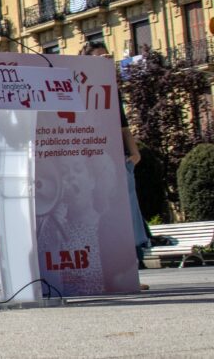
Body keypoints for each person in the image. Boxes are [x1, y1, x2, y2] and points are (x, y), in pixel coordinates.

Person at [80, 40, 150, 291]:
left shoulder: (111, 88)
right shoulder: (78, 87)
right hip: (90, 158)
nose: (107, 60)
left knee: (126, 215)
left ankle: (129, 274)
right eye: (100, 57)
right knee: (99, 212)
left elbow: (123, 125)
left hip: (115, 157)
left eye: (108, 56)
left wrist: (134, 151)